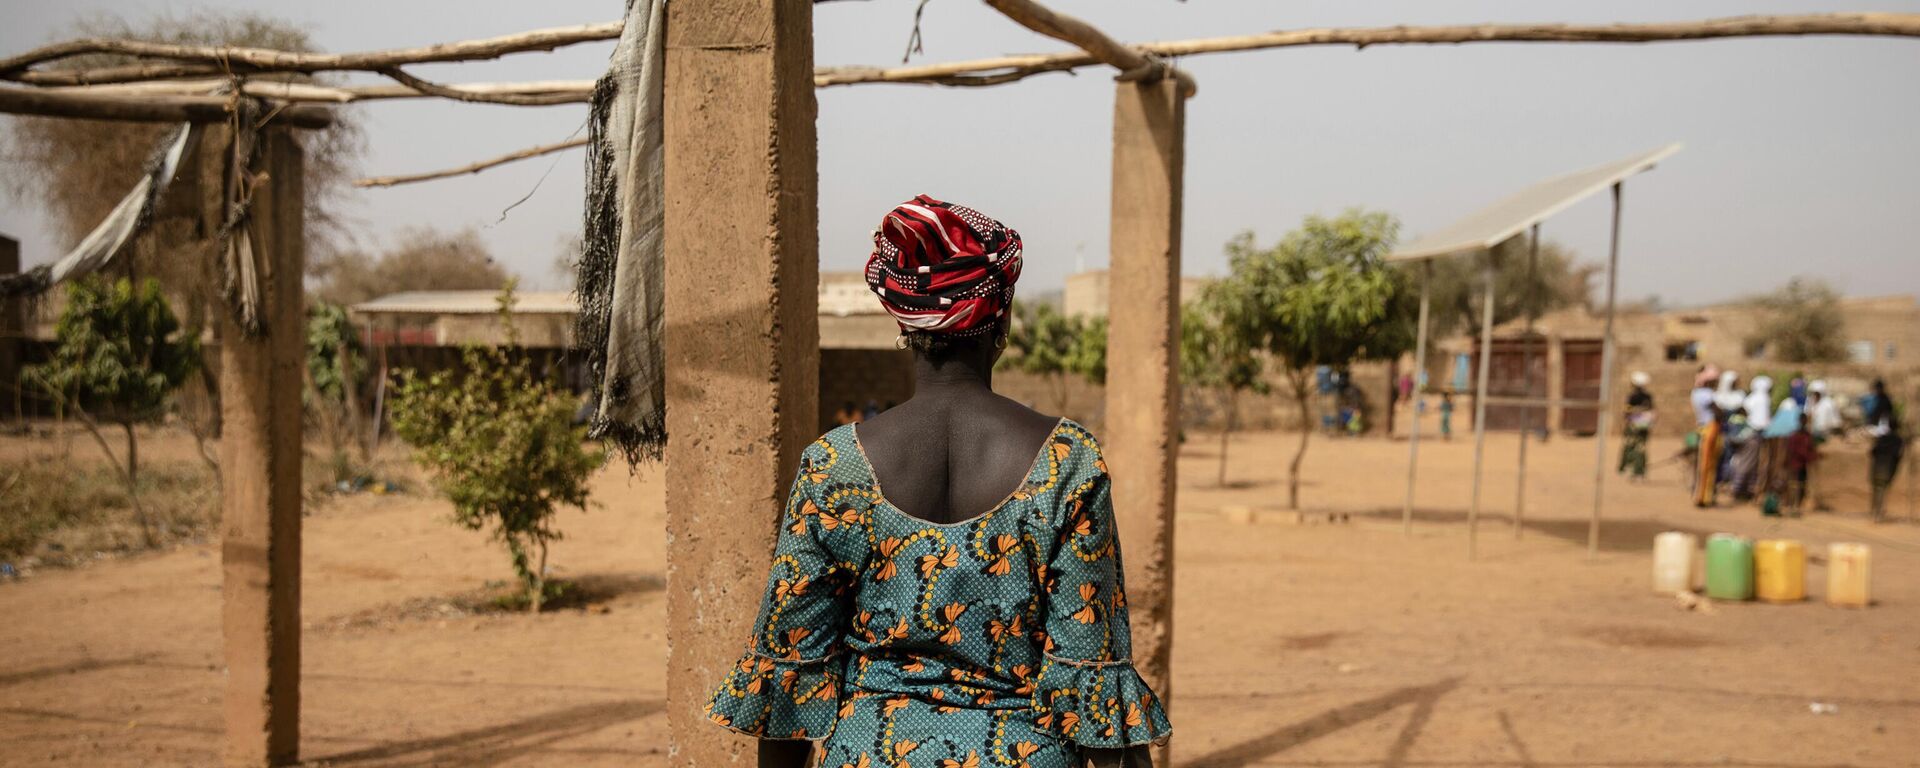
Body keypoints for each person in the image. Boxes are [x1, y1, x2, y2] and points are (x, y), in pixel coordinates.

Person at [706, 196, 1168, 767]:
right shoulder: (1067, 463)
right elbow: (1094, 672)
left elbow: (791, 671)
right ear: (998, 325)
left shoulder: (834, 467)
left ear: (907, 324)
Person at [1865, 379, 1905, 522]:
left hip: (1878, 468)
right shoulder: (1898, 440)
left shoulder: (1882, 438)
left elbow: (1873, 452)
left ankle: (1876, 512)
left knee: (1877, 490)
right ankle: (1877, 512)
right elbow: (1899, 455)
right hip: (1887, 469)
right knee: (1881, 490)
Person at [1619, 371, 1655, 481]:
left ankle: (1635, 471)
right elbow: (1652, 410)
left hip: (1634, 425)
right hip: (1645, 425)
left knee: (1633, 447)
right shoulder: (1648, 396)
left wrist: (1627, 420)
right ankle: (1639, 471)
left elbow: (1626, 411)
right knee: (1641, 448)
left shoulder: (1632, 396)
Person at [1783, 412, 1818, 515]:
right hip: (1795, 464)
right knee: (1793, 485)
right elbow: (1793, 450)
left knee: (1801, 485)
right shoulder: (1795, 436)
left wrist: (1814, 456)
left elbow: (1810, 449)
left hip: (1802, 465)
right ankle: (1791, 506)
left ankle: (1797, 506)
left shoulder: (1807, 435)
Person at [1694, 404, 1726, 508]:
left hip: (1709, 461)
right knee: (1706, 478)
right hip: (1708, 462)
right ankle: (1703, 499)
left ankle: (1704, 498)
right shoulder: (1714, 428)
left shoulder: (1713, 428)